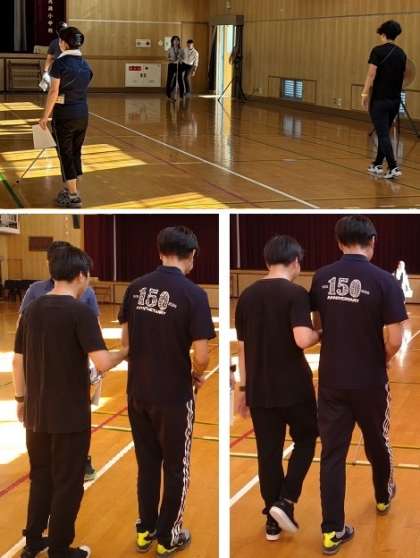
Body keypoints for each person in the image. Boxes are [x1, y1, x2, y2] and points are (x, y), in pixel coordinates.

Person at [12, 246, 128, 558]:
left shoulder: (31, 309)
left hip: (36, 414)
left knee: (41, 477)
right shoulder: (80, 313)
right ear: (80, 275)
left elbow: (17, 361)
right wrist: (125, 351)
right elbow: (102, 362)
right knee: (68, 483)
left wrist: (21, 399)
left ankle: (33, 541)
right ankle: (60, 549)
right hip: (69, 417)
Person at [310, 215, 407, 555]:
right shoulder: (384, 281)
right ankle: (383, 496)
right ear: (373, 241)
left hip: (332, 379)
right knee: (377, 442)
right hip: (369, 381)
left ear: (339, 242)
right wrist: (380, 359)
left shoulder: (321, 277)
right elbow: (395, 339)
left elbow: (318, 324)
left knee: (332, 454)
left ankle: (331, 530)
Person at [118, 226, 215, 556]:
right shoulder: (194, 294)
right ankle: (168, 536)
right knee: (176, 468)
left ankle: (145, 530)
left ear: (160, 252)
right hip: (173, 396)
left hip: (137, 392)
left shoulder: (134, 288)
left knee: (147, 465)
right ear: (192, 255)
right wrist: (196, 374)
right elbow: (202, 355)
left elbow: (125, 343)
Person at [235, 235, 320, 541]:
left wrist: (242, 389)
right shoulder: (296, 294)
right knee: (306, 439)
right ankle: (286, 500)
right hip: (294, 387)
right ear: (295, 261)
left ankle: (272, 522)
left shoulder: (246, 296)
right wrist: (321, 332)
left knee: (268, 453)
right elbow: (303, 339)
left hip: (259, 388)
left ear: (267, 261)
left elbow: (242, 348)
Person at [19, 240, 99, 482]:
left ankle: (81, 459)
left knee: (74, 417)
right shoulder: (35, 291)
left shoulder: (86, 293)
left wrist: (96, 362)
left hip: (73, 366)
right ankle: (47, 466)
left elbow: (93, 327)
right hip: (42, 366)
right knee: (48, 418)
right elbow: (23, 327)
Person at [38, 26, 93, 209]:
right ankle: (72, 187)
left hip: (65, 116)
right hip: (82, 115)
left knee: (65, 154)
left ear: (63, 43)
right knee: (75, 151)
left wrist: (44, 117)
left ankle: (73, 196)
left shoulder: (59, 64)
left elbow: (54, 92)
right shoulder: (86, 65)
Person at [361, 20, 407, 180]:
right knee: (384, 133)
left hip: (379, 100)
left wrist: (364, 94)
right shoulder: (402, 54)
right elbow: (404, 77)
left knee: (382, 134)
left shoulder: (377, 51)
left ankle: (393, 167)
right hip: (395, 100)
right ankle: (377, 164)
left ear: (384, 34)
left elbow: (371, 74)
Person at [40, 21, 69, 90]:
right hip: (59, 70)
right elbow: (49, 58)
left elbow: (49, 59)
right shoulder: (54, 43)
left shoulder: (70, 42)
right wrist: (45, 72)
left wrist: (45, 71)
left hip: (66, 69)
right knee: (56, 90)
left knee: (56, 90)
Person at [166, 35, 182, 101]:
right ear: (172, 41)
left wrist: (180, 59)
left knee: (177, 80)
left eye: (177, 40)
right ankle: (168, 95)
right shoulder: (170, 49)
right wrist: (171, 59)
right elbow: (167, 58)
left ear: (179, 42)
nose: (176, 41)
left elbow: (183, 58)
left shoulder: (181, 50)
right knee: (169, 79)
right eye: (174, 40)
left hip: (178, 65)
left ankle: (176, 93)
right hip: (171, 65)